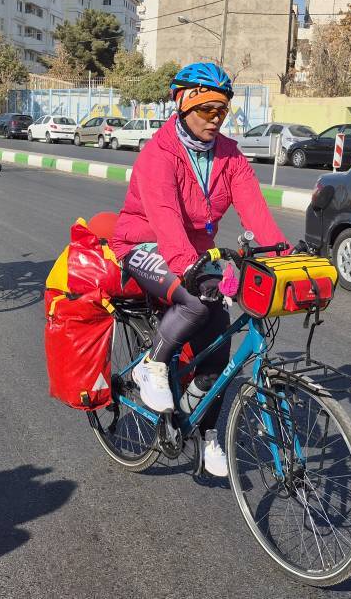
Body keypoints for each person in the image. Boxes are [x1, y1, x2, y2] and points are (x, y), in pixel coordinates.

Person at [110, 62, 286, 478]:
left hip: (197, 253)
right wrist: (187, 265)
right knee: (195, 299)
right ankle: (151, 364)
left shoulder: (229, 155)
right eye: (207, 109)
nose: (215, 118)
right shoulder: (160, 153)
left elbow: (256, 212)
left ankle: (206, 434)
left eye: (222, 110)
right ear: (184, 105)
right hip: (143, 243)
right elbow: (165, 216)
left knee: (220, 345)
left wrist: (283, 257)